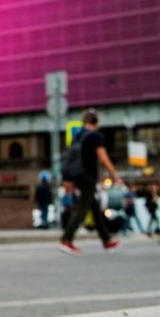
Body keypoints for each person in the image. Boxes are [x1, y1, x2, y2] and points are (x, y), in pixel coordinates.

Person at [59, 109, 123, 256]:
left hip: (77, 175)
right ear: (96, 122)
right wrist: (115, 174)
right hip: (87, 176)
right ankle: (66, 239)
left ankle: (106, 240)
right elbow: (103, 157)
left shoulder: (78, 135)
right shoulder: (95, 136)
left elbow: (71, 158)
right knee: (81, 209)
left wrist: (68, 179)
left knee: (94, 207)